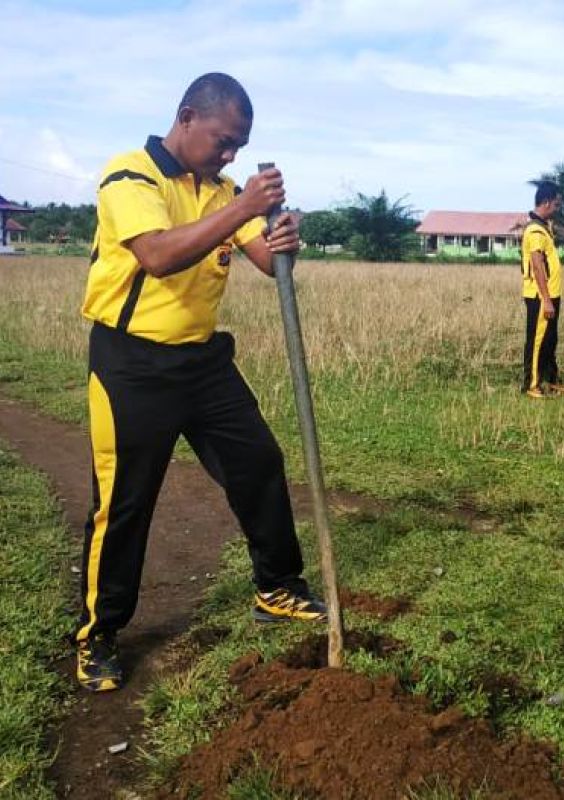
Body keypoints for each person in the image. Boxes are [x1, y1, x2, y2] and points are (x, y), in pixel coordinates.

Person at [75, 73, 326, 693]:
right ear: (187, 117)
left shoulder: (223, 190)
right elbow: (158, 254)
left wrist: (283, 237)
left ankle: (277, 587)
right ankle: (98, 636)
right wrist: (243, 206)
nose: (230, 156)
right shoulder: (131, 176)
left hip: (202, 363)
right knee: (127, 500)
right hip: (132, 365)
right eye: (223, 141)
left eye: (239, 146)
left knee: (258, 461)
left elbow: (268, 262)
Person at [521, 181, 564, 399]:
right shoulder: (535, 231)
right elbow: (537, 266)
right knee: (538, 341)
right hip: (540, 297)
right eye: (556, 205)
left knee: (550, 339)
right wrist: (546, 300)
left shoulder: (544, 228)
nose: (557, 209)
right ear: (547, 202)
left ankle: (550, 378)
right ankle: (531, 384)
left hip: (551, 294)